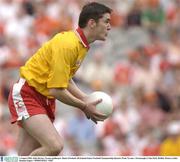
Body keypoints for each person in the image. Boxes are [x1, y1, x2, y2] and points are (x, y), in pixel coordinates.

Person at [8, 2, 112, 156]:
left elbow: (65, 79)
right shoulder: (68, 45)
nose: (109, 27)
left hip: (43, 98)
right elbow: (56, 90)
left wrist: (85, 97)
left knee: (24, 156)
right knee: (54, 146)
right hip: (28, 93)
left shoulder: (81, 45)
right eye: (106, 21)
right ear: (92, 23)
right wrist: (84, 106)